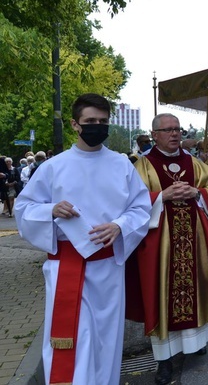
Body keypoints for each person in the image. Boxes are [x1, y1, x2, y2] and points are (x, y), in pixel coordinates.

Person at [15, 93, 151, 385]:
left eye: (102, 121)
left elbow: (140, 208)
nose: (97, 126)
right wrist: (50, 208)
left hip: (107, 269)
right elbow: (23, 209)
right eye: (90, 121)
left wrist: (119, 226)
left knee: (105, 341)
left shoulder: (122, 164)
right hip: (67, 266)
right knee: (76, 338)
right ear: (75, 124)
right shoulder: (53, 167)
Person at [127, 113, 208, 385]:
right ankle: (164, 361)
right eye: (168, 130)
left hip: (192, 242)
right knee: (161, 294)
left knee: (195, 286)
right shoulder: (143, 165)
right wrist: (162, 196)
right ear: (155, 135)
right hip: (160, 245)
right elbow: (130, 202)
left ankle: (195, 343)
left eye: (178, 129)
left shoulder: (193, 162)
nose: (174, 134)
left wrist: (198, 194)